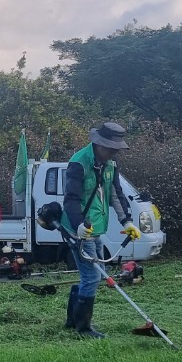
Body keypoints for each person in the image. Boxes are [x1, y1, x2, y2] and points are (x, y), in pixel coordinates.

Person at [61, 122, 142, 339]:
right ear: (99, 144)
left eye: (117, 149)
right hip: (77, 227)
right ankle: (84, 328)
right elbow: (71, 198)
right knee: (92, 276)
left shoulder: (110, 164)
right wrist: (78, 224)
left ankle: (72, 320)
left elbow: (116, 194)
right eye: (112, 148)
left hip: (96, 227)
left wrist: (127, 221)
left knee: (88, 275)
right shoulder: (79, 163)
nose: (115, 152)